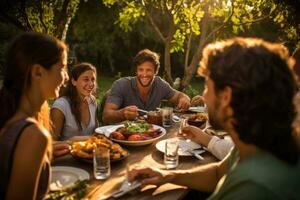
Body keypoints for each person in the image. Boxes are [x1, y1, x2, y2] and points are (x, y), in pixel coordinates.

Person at [128, 38, 300, 199]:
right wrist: (167, 175)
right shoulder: (256, 141)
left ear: (225, 97)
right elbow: (219, 173)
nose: (204, 95)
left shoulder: (253, 189)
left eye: (207, 86)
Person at [0, 32, 68, 199]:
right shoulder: (33, 135)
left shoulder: (8, 115)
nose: (66, 77)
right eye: (62, 68)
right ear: (38, 72)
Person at [102, 49, 191, 124]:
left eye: (148, 70)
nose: (144, 74)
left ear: (155, 72)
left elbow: (178, 96)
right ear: (136, 71)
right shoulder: (121, 85)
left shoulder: (160, 84)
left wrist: (184, 98)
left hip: (150, 135)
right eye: (141, 70)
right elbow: (106, 116)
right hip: (123, 137)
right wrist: (122, 114)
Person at [51, 62, 98, 141]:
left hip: (91, 152)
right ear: (74, 81)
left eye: (93, 79)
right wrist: (71, 141)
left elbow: (95, 133)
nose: (91, 84)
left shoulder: (92, 101)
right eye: (86, 79)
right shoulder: (61, 106)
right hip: (66, 152)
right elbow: (50, 143)